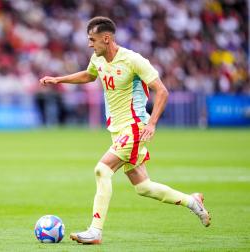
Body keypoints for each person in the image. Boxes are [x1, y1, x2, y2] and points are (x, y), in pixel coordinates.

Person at [39, 16, 211, 245]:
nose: (90, 44)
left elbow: (162, 91)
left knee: (102, 170)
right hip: (118, 130)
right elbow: (89, 75)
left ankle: (95, 231)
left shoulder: (133, 60)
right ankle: (193, 202)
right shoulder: (97, 58)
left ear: (106, 38)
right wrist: (58, 80)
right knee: (143, 187)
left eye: (93, 39)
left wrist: (151, 124)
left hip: (134, 126)